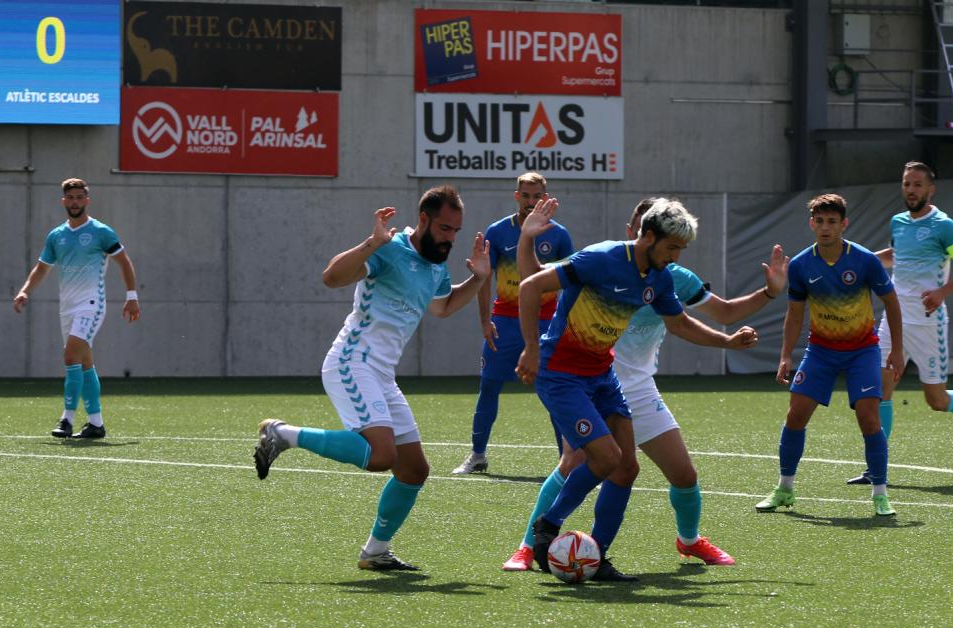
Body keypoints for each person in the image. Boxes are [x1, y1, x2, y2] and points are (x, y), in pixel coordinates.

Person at [503, 198, 787, 573]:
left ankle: (596, 554)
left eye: (681, 249)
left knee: (626, 468)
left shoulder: (661, 277)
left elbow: (680, 324)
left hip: (602, 375)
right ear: (647, 237)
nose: (676, 256)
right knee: (602, 459)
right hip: (562, 374)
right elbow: (531, 286)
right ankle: (545, 528)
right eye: (672, 247)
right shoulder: (600, 259)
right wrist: (531, 350)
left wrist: (727, 341)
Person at [253, 186, 490, 571]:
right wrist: (371, 242)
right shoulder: (390, 249)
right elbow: (332, 277)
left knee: (414, 470)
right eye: (445, 228)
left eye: (456, 231)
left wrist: (478, 280)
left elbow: (443, 307)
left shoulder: (436, 266)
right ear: (424, 220)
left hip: (381, 374)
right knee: (382, 455)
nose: (450, 238)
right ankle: (282, 434)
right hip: (352, 362)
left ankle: (376, 551)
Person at [847, 161, 953, 485]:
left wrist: (943, 291)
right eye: (906, 184)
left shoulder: (945, 226)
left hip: (929, 324)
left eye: (917, 184)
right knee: (879, 389)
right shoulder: (898, 222)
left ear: (931, 189)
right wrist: (864, 260)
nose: (911, 190)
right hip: (893, 318)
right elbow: (897, 254)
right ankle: (877, 466)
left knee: (936, 400)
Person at [756, 193, 903, 517]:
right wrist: (785, 356)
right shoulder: (801, 266)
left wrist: (897, 350)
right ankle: (784, 489)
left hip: (862, 350)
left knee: (868, 417)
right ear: (811, 224)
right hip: (820, 351)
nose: (825, 227)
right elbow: (794, 314)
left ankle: (880, 493)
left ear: (843, 224)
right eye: (819, 221)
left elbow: (892, 303)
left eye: (832, 222)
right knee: (795, 415)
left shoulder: (865, 260)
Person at [453, 172, 573, 475]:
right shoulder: (497, 231)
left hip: (546, 322)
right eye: (526, 195)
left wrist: (567, 325)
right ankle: (477, 455)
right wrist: (484, 321)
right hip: (503, 322)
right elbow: (483, 278)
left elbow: (573, 282)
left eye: (537, 196)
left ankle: (568, 462)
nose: (531, 202)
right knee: (489, 387)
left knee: (555, 392)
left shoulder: (559, 235)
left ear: (545, 198)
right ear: (516, 195)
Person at [13, 178, 140, 439]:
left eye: (79, 197)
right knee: (83, 363)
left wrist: (132, 295)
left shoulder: (101, 231)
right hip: (67, 308)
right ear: (64, 201)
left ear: (87, 200)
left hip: (92, 305)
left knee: (70, 355)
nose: (75, 202)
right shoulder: (56, 236)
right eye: (70, 198)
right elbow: (42, 268)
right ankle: (96, 424)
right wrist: (25, 290)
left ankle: (67, 420)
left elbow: (123, 261)